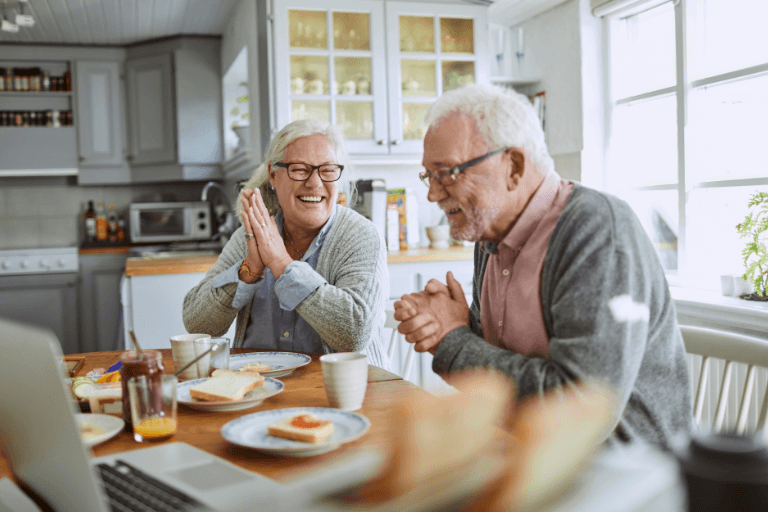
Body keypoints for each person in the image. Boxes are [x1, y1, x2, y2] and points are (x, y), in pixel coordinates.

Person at [394, 84, 693, 449]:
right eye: (430, 176)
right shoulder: (489, 234)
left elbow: (580, 406)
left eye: (448, 173)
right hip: (523, 454)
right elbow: (507, 357)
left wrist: (453, 340)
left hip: (618, 475)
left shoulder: (596, 230)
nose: (433, 194)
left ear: (514, 166)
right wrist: (460, 324)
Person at [183, 119, 389, 368]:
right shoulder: (251, 235)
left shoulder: (361, 235)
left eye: (327, 170)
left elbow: (354, 334)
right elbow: (197, 324)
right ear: (273, 174)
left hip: (344, 396)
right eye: (300, 169)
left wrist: (281, 264)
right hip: (259, 391)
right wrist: (249, 269)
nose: (314, 183)